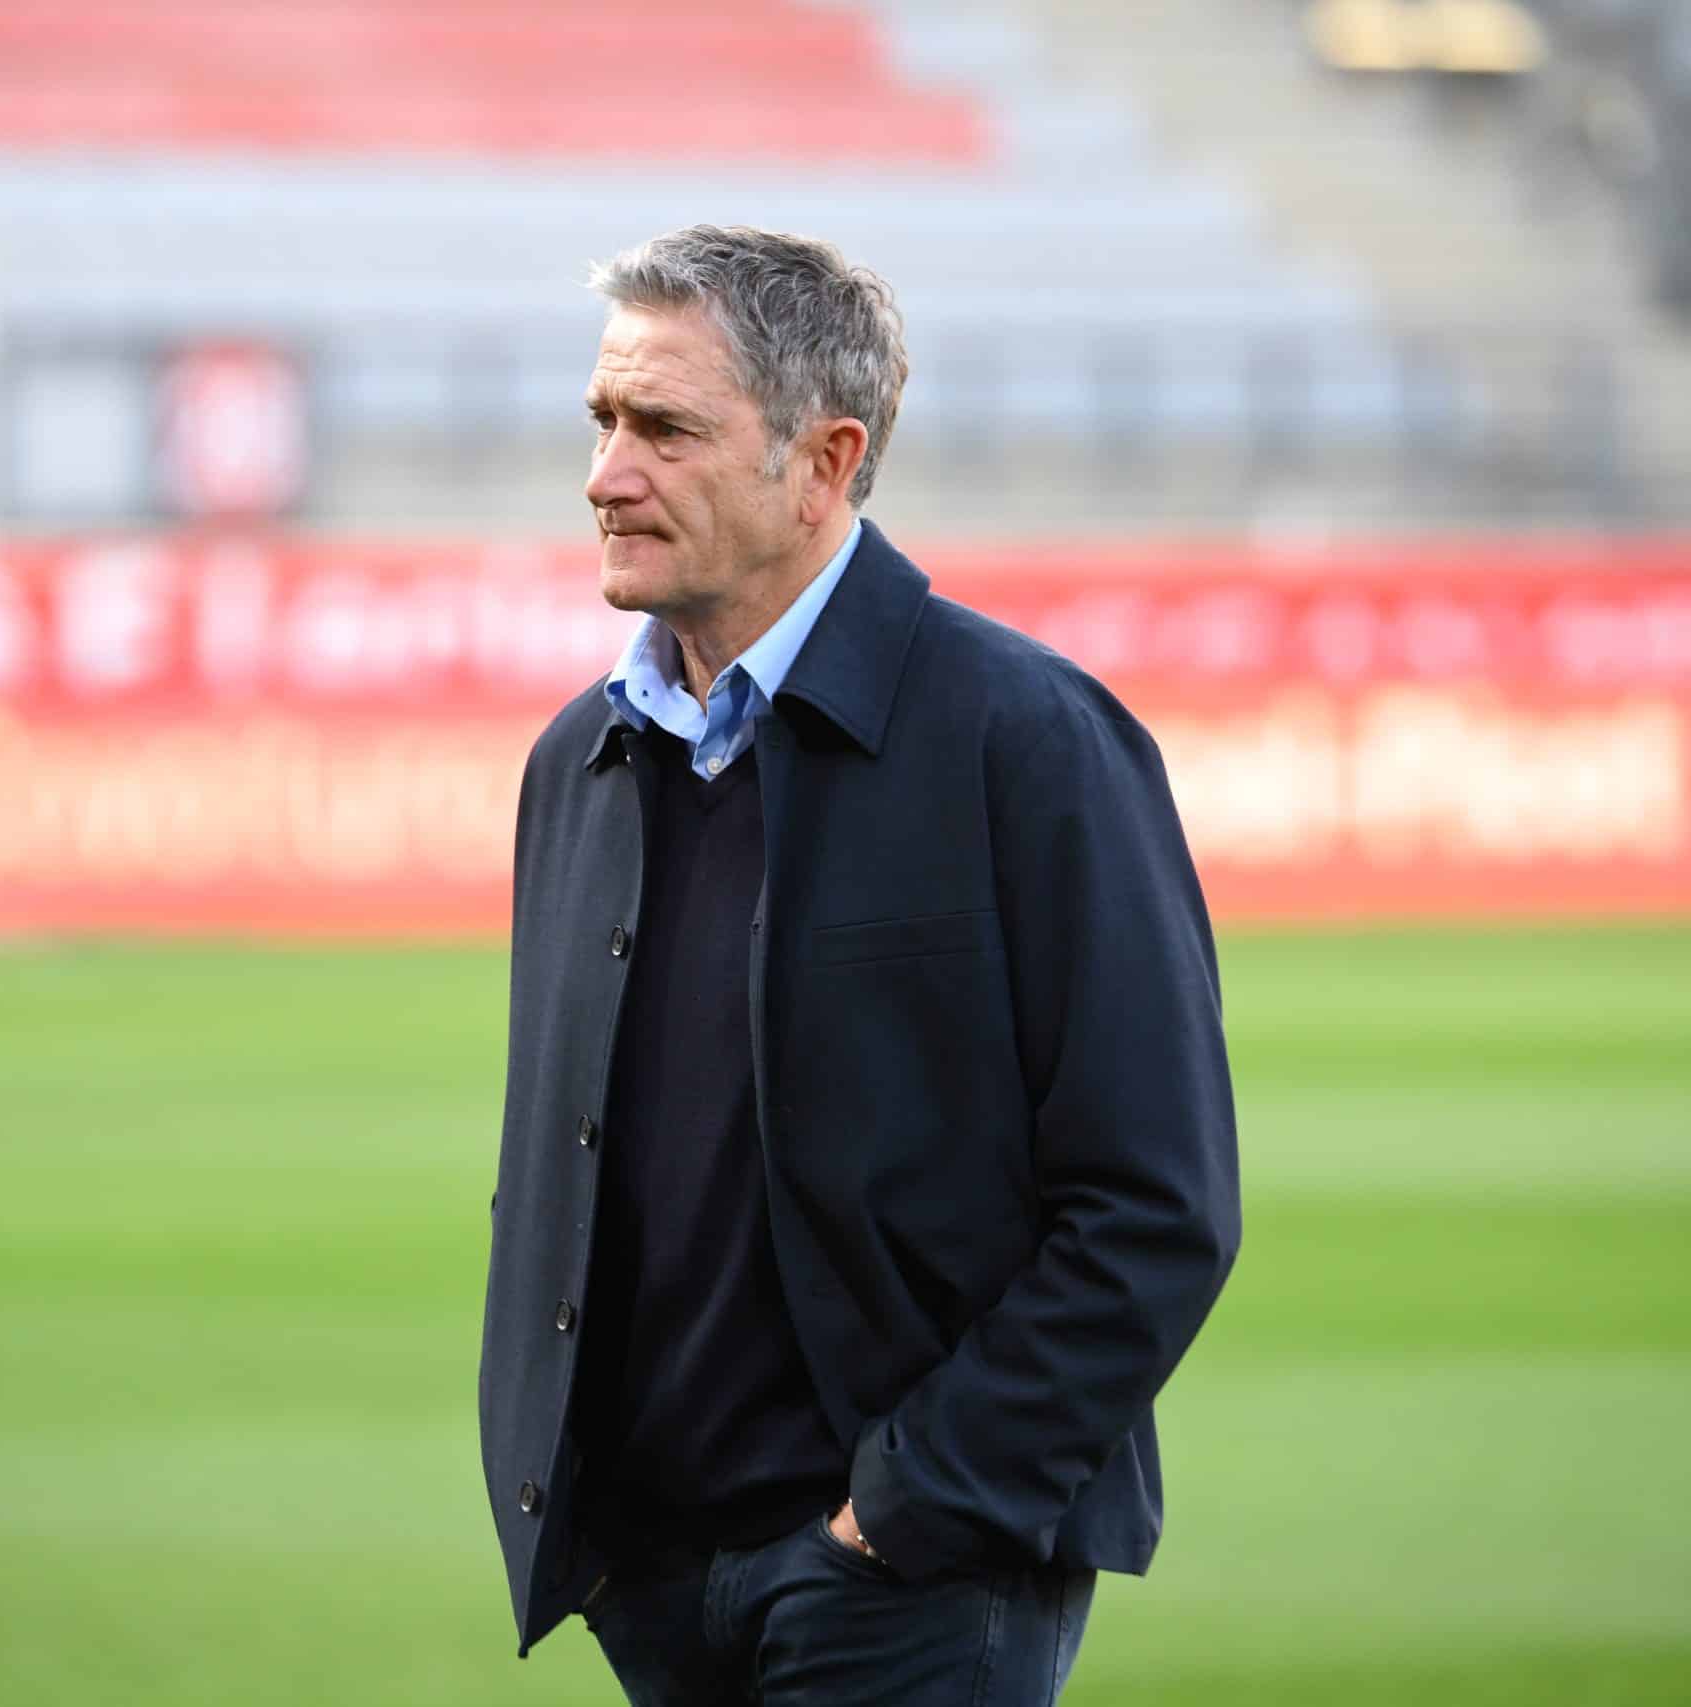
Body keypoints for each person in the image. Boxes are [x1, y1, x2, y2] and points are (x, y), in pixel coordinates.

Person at [479, 225, 1240, 1705]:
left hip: (908, 1586)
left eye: (665, 430)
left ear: (824, 464)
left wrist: (903, 1513)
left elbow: (1159, 1205)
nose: (606, 475)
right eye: (601, 421)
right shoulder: (580, 761)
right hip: (651, 1588)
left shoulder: (1030, 741)